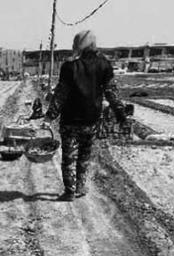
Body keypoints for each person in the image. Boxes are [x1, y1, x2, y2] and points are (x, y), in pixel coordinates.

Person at [43, 30, 126, 201]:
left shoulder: (69, 66)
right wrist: (121, 114)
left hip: (70, 122)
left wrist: (49, 116)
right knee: (84, 155)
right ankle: (80, 186)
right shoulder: (104, 65)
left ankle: (70, 191)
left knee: (69, 157)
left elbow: (61, 94)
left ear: (79, 45)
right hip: (91, 120)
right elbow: (112, 93)